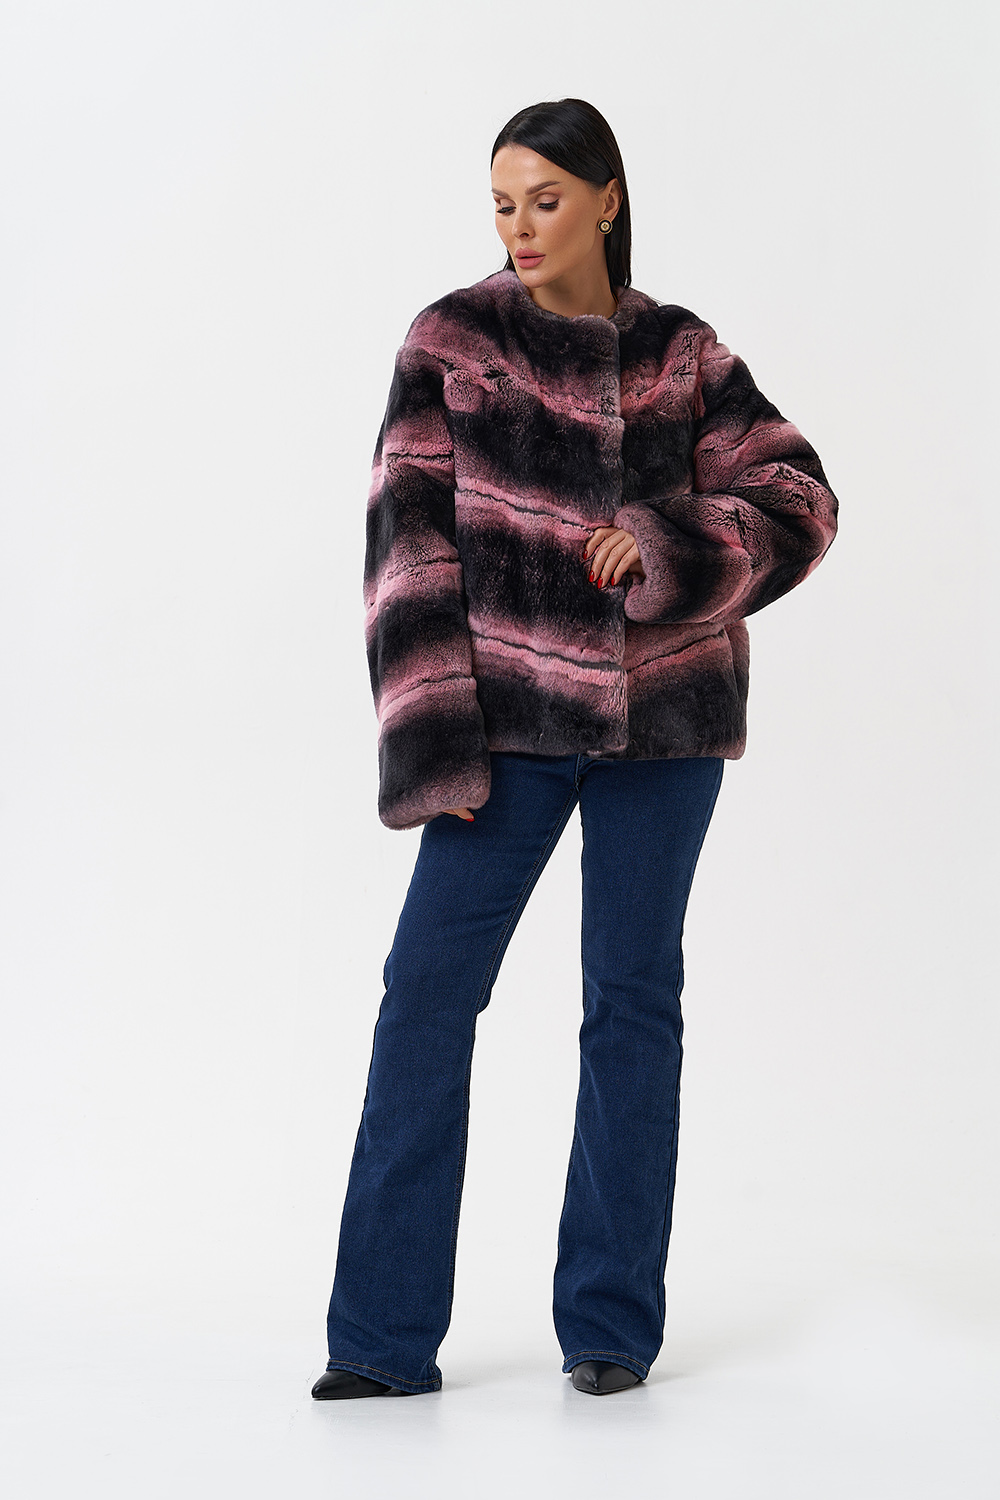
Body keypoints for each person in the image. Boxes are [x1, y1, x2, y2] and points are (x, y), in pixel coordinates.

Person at [311, 97, 838, 1401]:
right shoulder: (453, 341)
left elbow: (800, 497)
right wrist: (435, 738)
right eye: (503, 203)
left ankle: (609, 1328)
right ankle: (380, 1341)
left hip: (667, 725)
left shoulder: (681, 351)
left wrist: (668, 544)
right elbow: (406, 548)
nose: (521, 227)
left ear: (608, 198)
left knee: (632, 1001)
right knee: (426, 995)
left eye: (545, 199)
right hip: (501, 730)